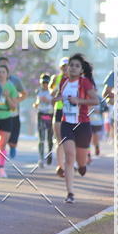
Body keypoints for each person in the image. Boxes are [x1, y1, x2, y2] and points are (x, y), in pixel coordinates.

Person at [52, 53, 99, 203]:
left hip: (83, 124)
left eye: (76, 66)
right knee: (69, 156)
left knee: (80, 160)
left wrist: (79, 100)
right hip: (66, 124)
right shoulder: (63, 82)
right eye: (71, 65)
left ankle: (83, 165)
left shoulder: (85, 83)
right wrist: (57, 99)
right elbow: (61, 96)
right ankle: (70, 193)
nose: (73, 68)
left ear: (81, 70)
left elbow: (95, 100)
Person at [0, 56, 26, 159]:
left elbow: (24, 94)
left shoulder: (15, 80)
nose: (3, 66)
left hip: (13, 113)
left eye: (5, 64)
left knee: (12, 140)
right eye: (1, 64)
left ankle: (13, 147)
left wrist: (16, 101)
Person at [49, 57, 69, 176]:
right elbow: (52, 93)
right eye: (63, 66)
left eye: (68, 66)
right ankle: (60, 166)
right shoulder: (57, 78)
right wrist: (56, 91)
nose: (66, 69)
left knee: (71, 140)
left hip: (71, 112)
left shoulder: (77, 80)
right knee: (60, 140)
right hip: (59, 110)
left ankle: (70, 163)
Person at [33, 73, 54, 167]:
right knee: (41, 138)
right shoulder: (38, 91)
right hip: (41, 114)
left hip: (50, 115)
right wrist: (36, 105)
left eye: (46, 82)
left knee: (50, 138)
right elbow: (36, 102)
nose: (45, 84)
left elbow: (55, 103)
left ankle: (49, 154)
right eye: (43, 82)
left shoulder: (52, 92)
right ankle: (41, 158)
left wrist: (48, 100)